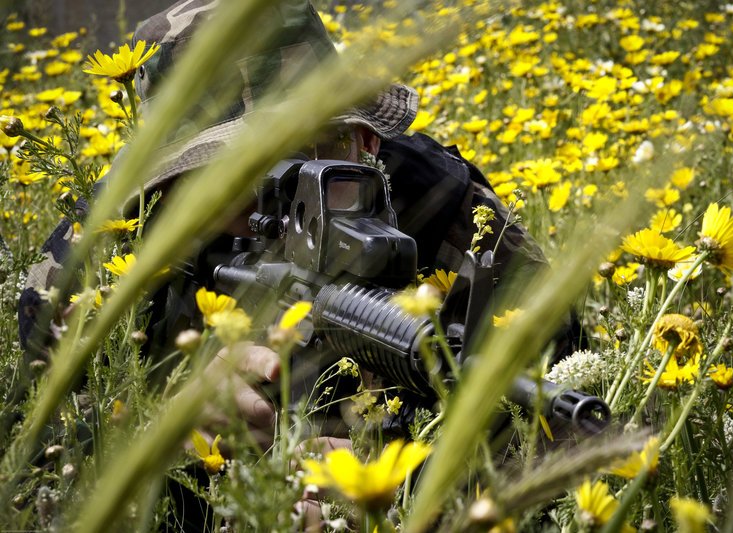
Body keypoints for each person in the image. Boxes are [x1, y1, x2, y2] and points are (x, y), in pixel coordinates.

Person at [17, 0, 583, 528]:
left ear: (364, 141)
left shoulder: (450, 215)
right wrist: (166, 445)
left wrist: (404, 489)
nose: (276, 206)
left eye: (305, 157)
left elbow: (575, 426)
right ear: (168, 188)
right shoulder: (99, 261)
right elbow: (34, 467)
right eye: (225, 176)